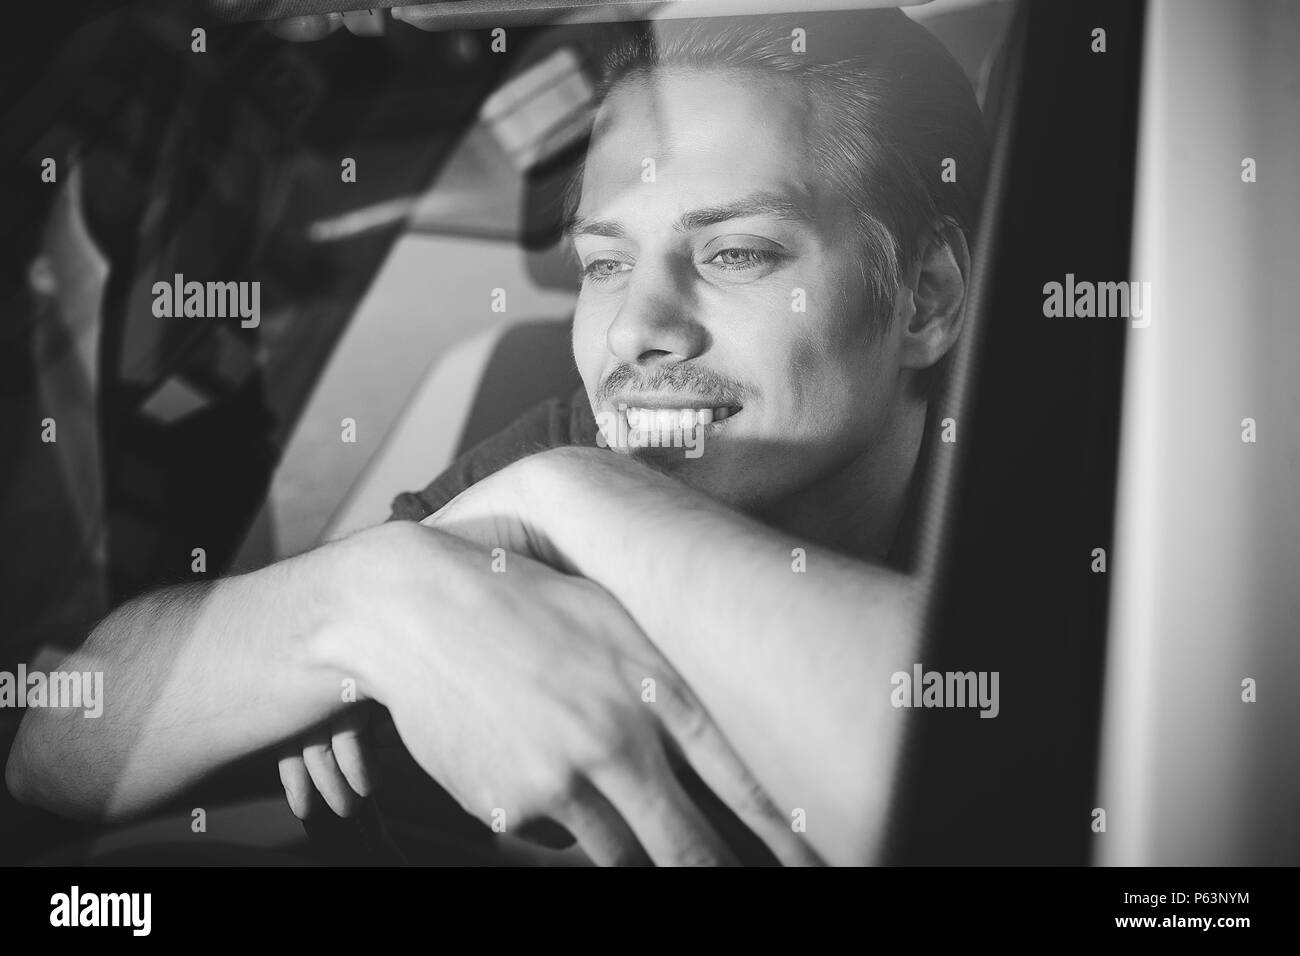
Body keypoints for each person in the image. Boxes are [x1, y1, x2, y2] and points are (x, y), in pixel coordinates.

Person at [6, 9, 987, 866]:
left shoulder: (1079, 465)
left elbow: (1009, 795)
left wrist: (577, 501)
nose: (637, 329)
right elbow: (53, 751)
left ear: (926, 298)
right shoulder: (562, 442)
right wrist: (351, 606)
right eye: (604, 262)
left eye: (735, 252)